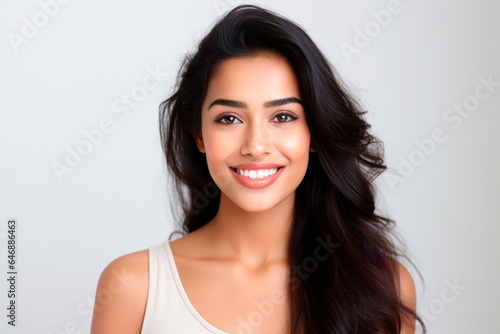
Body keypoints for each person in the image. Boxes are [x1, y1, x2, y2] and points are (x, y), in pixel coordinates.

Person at [90, 5, 425, 334]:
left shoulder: (383, 288)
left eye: (282, 117)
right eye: (229, 118)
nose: (256, 145)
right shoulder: (133, 287)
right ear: (199, 135)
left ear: (314, 133)